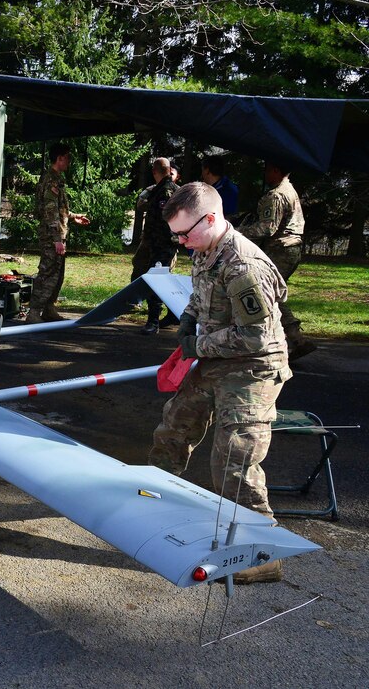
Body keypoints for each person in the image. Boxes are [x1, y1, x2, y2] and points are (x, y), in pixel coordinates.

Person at [148, 182, 292, 584]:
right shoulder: (204, 246)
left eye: (185, 233)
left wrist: (199, 342)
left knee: (234, 459)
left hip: (252, 367)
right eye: (175, 234)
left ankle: (262, 553)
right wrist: (189, 319)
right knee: (173, 429)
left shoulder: (245, 266)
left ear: (211, 219)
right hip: (215, 358)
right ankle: (151, 513)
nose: (181, 242)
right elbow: (199, 294)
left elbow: (257, 337)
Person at [237, 162, 314, 360]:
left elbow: (267, 229)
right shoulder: (290, 189)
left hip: (280, 250)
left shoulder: (276, 195)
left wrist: (237, 233)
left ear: (276, 170)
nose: (265, 173)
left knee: (268, 294)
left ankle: (292, 340)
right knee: (270, 293)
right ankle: (294, 340)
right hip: (291, 249)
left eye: (267, 169)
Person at [26, 142, 89, 323]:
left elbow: (58, 209)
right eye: (67, 157)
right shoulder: (51, 180)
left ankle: (48, 308)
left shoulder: (56, 179)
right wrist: (57, 239)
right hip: (51, 236)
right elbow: (50, 211)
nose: (69, 161)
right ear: (60, 158)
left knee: (57, 273)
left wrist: (73, 216)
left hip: (56, 234)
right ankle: (34, 313)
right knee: (47, 272)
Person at [132, 157, 180, 334]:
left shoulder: (166, 191)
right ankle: (173, 313)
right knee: (163, 279)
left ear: (155, 171)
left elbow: (163, 220)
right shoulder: (166, 189)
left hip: (162, 243)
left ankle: (153, 322)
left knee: (157, 281)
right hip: (159, 243)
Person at [200, 154, 239, 218]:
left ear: (207, 171)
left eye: (202, 170)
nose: (201, 174)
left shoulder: (229, 191)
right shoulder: (226, 187)